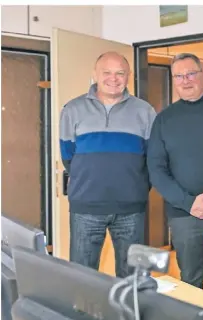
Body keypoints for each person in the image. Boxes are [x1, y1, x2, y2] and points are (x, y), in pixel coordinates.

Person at [147, 53, 203, 302]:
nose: (185, 80)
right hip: (182, 213)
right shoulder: (163, 119)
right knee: (190, 278)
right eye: (179, 76)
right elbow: (156, 170)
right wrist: (189, 203)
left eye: (191, 74)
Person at [59, 51, 156, 278]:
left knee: (134, 279)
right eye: (107, 73)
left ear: (128, 76)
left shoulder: (145, 111)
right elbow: (68, 156)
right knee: (82, 277)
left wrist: (136, 187)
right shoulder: (72, 110)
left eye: (120, 73)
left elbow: (153, 159)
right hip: (86, 208)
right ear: (95, 74)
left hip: (131, 209)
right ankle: (84, 315)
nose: (114, 78)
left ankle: (130, 315)